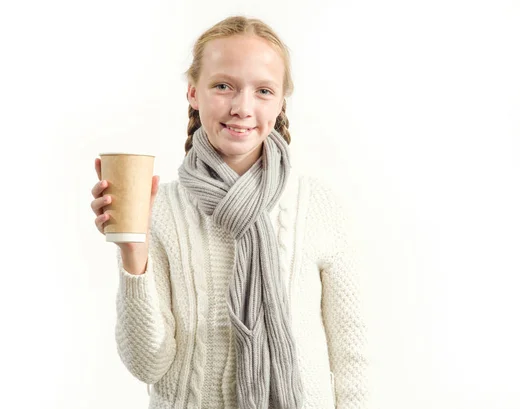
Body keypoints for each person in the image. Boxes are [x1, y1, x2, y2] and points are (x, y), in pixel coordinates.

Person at [90, 15, 370, 409]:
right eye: (223, 86)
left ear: (280, 102)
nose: (242, 107)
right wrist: (132, 248)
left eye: (264, 91)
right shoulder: (161, 208)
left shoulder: (318, 206)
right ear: (193, 93)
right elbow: (148, 364)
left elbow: (354, 360)